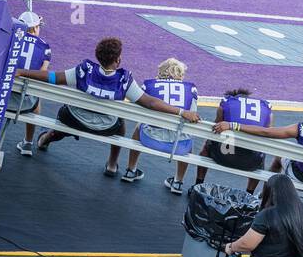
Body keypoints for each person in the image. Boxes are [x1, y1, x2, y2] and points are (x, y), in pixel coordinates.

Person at [16, 37, 201, 177]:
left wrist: (23, 72)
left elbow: (53, 78)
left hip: (74, 119)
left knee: (66, 113)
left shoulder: (83, 70)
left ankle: (45, 139)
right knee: (120, 125)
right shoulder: (124, 79)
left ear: (98, 55)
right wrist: (181, 111)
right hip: (106, 127)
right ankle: (112, 164)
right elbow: (150, 102)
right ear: (118, 60)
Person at [219, 94, 303, 218]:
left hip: (300, 174)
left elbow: (266, 132)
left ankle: (264, 203)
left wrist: (233, 125)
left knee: (278, 159)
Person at [123, 58, 198, 189]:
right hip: (178, 146)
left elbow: (138, 108)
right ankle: (178, 181)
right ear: (180, 73)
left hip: (149, 138)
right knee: (188, 133)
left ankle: (131, 169)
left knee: (139, 125)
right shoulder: (191, 90)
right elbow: (192, 115)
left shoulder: (149, 85)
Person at [197, 87, 271, 195]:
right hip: (251, 162)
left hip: (225, 154)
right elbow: (268, 132)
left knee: (208, 144)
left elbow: (215, 128)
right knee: (261, 152)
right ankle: (249, 193)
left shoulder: (226, 103)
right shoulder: (267, 109)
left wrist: (233, 126)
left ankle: (198, 183)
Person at [11, 10, 51, 156]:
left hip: (2, 98)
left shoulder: (11, 38)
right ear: (35, 28)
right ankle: (28, 142)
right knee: (36, 95)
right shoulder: (45, 47)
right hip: (26, 102)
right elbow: (42, 74)